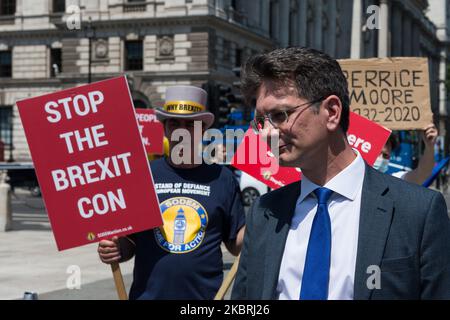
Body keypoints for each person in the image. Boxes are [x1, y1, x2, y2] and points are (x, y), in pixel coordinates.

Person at [231, 47, 450, 300]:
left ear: (332, 112)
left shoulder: (417, 211)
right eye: (261, 121)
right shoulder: (264, 212)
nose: (267, 133)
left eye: (280, 115)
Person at [98, 85, 246, 300]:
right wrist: (115, 248)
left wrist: (263, 223)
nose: (181, 131)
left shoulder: (222, 179)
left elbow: (235, 245)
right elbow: (129, 242)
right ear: (165, 128)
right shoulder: (144, 175)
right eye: (174, 123)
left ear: (203, 129)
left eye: (190, 124)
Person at [374, 124, 438, 184]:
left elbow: (422, 174)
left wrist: (429, 146)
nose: (381, 159)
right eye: (377, 153)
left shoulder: (393, 181)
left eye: (385, 155)